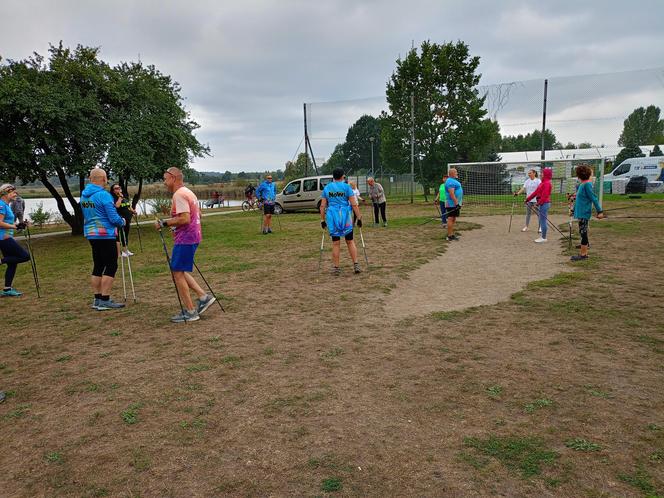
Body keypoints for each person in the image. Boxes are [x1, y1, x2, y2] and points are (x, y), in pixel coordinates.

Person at [155, 167, 215, 323]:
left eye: (165, 178)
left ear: (174, 178)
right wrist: (175, 225)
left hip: (186, 238)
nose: (164, 182)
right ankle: (203, 297)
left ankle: (190, 311)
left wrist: (165, 222)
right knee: (179, 269)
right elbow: (198, 214)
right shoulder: (189, 192)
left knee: (177, 273)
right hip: (193, 236)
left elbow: (185, 218)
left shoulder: (179, 194)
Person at [81, 169, 126, 310]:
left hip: (91, 233)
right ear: (103, 179)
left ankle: (97, 298)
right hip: (105, 234)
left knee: (98, 265)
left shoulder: (84, 196)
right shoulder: (104, 195)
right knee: (111, 265)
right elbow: (113, 218)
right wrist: (122, 221)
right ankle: (105, 299)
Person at [320, 168, 363, 275]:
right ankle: (356, 264)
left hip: (332, 217)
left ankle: (336, 268)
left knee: (335, 243)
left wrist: (322, 220)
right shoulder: (347, 187)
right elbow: (354, 204)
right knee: (350, 241)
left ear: (333, 177)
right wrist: (359, 218)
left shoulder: (327, 188)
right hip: (345, 217)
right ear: (343, 176)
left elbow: (322, 206)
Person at [0, 184, 30, 297]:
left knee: (12, 263)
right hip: (3, 237)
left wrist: (19, 224)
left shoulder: (7, 205)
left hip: (7, 236)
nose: (15, 194)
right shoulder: (1, 205)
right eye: (13, 192)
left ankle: (7, 289)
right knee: (25, 256)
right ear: (5, 193)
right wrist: (15, 227)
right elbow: (0, 223)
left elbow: (7, 221)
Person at [571, 165, 604, 261]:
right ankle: (585, 245)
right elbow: (580, 197)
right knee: (582, 231)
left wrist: (600, 211)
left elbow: (594, 198)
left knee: (583, 232)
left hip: (584, 212)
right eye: (591, 173)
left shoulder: (587, 184)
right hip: (581, 212)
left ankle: (583, 254)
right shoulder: (583, 184)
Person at [525, 168, 553, 243]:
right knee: (542, 220)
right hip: (542, 203)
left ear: (546, 175)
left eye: (542, 173)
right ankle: (543, 237)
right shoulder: (542, 183)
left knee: (543, 221)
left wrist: (538, 203)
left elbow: (545, 196)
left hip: (545, 204)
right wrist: (528, 199)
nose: (540, 174)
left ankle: (543, 237)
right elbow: (535, 192)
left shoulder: (547, 183)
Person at [110, 184, 136, 258]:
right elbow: (117, 206)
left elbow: (128, 206)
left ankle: (125, 250)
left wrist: (133, 211)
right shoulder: (113, 198)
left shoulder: (123, 197)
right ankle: (119, 252)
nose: (118, 189)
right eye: (116, 188)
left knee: (126, 234)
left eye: (119, 187)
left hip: (127, 218)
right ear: (113, 190)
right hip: (120, 219)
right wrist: (120, 198)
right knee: (120, 235)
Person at [444, 168, 463, 241]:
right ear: (451, 173)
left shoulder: (452, 181)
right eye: (456, 172)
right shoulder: (450, 182)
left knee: (453, 218)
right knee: (451, 218)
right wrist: (456, 203)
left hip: (454, 203)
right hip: (452, 204)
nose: (457, 174)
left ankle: (451, 234)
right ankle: (449, 236)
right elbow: (451, 194)